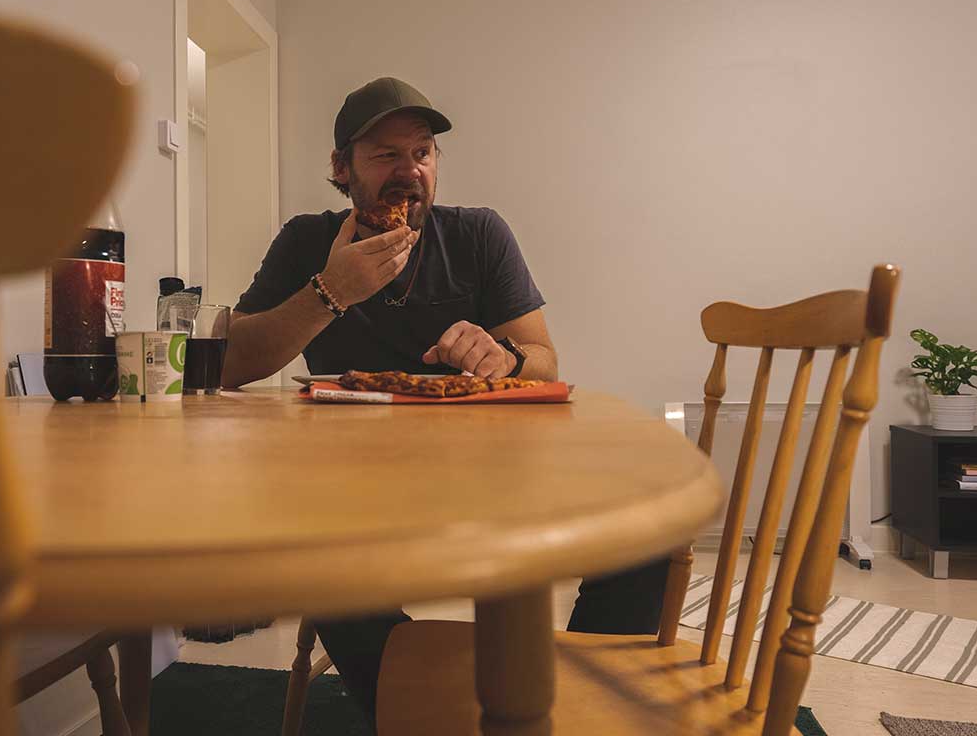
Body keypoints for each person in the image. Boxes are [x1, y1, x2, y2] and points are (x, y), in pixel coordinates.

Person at [222, 77, 669, 728]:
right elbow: (232, 363)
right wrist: (331, 290)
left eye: (423, 152)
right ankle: (418, 712)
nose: (410, 171)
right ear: (342, 168)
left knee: (649, 533)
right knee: (322, 566)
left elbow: (544, 359)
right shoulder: (305, 241)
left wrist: (503, 355)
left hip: (488, 475)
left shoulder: (479, 234)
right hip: (349, 484)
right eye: (386, 155)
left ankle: (579, 707)